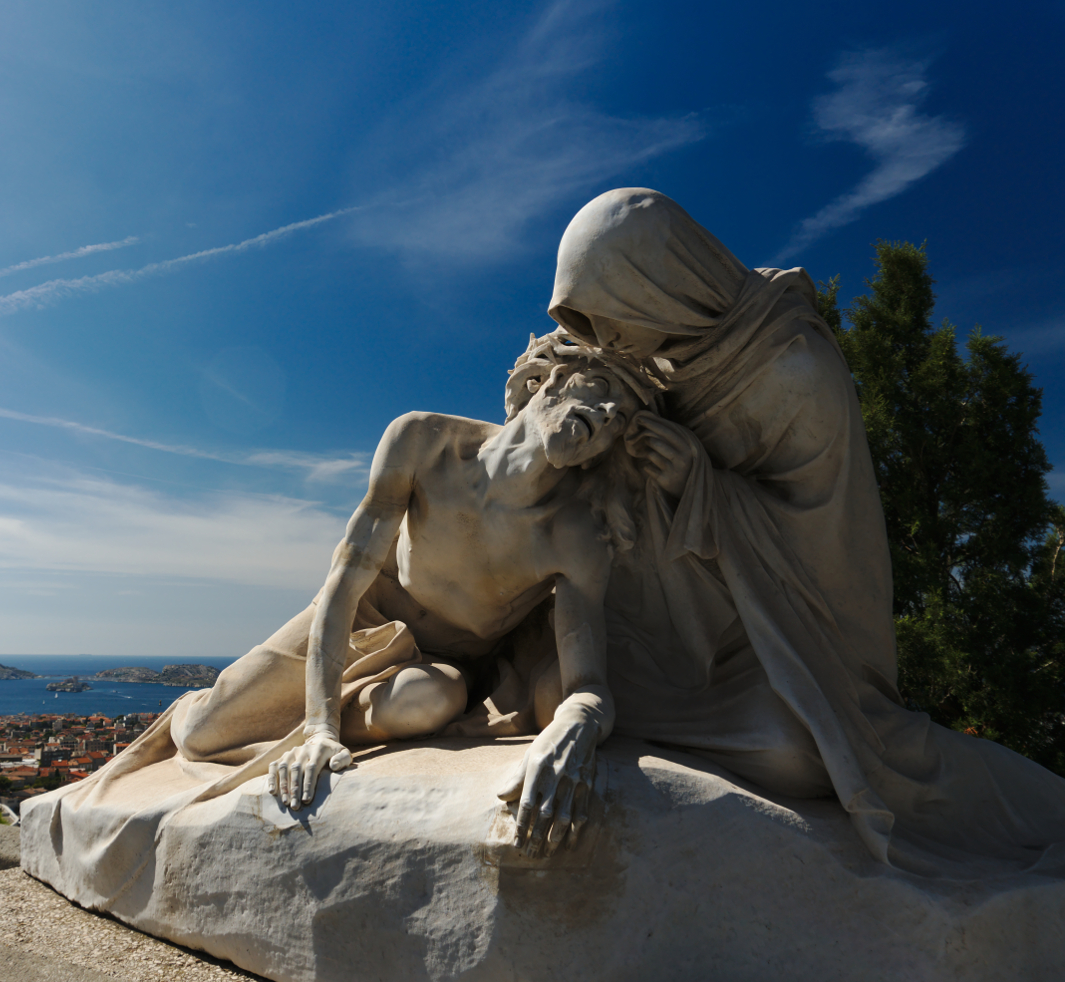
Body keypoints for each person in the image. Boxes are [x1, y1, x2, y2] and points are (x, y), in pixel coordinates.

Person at [544, 187, 1065, 875]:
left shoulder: (794, 371)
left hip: (795, 640)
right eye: (590, 323)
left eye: (611, 320)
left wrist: (699, 484)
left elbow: (822, 549)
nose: (603, 342)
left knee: (802, 746)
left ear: (660, 287)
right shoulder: (657, 355)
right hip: (687, 620)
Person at [169, 345, 659, 854]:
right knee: (204, 735)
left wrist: (576, 726)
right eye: (600, 390)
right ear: (551, 380)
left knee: (427, 702)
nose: (605, 416)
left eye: (619, 419)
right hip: (362, 618)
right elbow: (345, 579)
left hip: (454, 664)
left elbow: (588, 684)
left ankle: (334, 723)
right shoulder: (423, 440)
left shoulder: (576, 533)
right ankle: (233, 711)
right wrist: (318, 726)